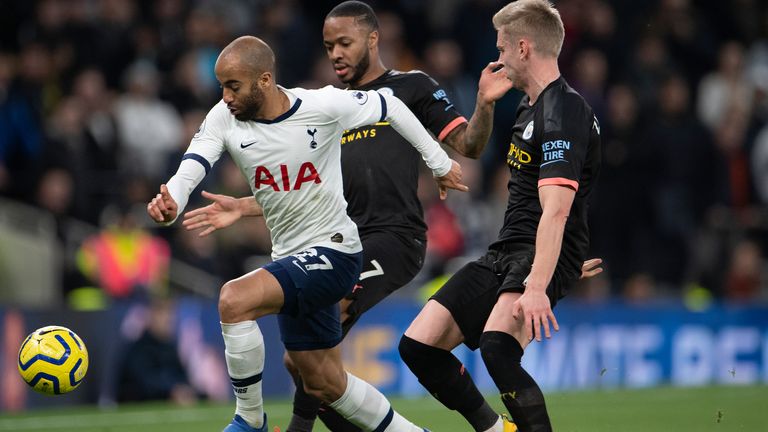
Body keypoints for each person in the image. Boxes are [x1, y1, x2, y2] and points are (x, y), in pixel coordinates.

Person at [182, 3, 602, 431]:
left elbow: (470, 146)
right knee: (307, 366)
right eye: (328, 46)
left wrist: (481, 107)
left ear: (373, 39)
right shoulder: (327, 106)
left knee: (334, 329)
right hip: (337, 238)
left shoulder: (411, 88)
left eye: (344, 43)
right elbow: (311, 187)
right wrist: (245, 205)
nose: (336, 55)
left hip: (392, 238)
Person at [147, 35, 468, 432]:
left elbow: (393, 107)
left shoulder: (322, 105)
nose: (225, 96)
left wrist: (438, 162)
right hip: (290, 259)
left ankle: (249, 421)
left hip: (337, 253)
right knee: (325, 382)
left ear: (264, 80)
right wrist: (173, 199)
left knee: (234, 299)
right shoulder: (222, 118)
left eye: (234, 86)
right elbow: (193, 163)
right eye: (222, 86)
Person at [397, 1, 601, 431]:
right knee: (419, 346)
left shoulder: (563, 110)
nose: (498, 58)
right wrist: (484, 105)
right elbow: (476, 149)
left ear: (523, 48)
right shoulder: (528, 107)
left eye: (502, 48)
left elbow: (558, 210)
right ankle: (497, 428)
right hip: (508, 250)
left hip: (535, 254)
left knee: (497, 347)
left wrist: (545, 280)